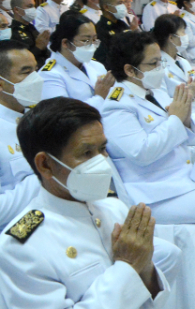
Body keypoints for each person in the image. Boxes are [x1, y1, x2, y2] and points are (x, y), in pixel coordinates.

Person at [0, 96, 184, 308]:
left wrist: (144, 268)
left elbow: (152, 296)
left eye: (102, 149)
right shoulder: (20, 248)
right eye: (86, 153)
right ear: (46, 165)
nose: (101, 162)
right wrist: (128, 266)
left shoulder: (112, 207)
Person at [101, 31, 195, 229]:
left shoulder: (153, 91)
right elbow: (142, 152)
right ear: (130, 70)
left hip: (181, 178)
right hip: (155, 194)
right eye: (153, 63)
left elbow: (180, 136)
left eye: (160, 61)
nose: (160, 68)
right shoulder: (117, 105)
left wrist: (185, 117)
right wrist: (176, 120)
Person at [0, 41, 43, 226]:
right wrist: (46, 175)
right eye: (26, 72)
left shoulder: (41, 118)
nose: (36, 79)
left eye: (36, 70)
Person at [39, 12, 112, 108]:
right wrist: (99, 98)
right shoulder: (50, 75)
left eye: (94, 40)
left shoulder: (97, 66)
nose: (92, 45)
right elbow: (61, 113)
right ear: (65, 43)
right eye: (85, 40)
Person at [9, 0, 51, 64]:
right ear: (17, 10)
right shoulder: (12, 32)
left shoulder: (31, 27)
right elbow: (21, 60)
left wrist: (44, 47)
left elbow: (45, 53)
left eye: (34, 6)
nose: (33, 9)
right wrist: (38, 47)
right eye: (29, 6)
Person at [94, 0, 132, 65]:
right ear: (106, 7)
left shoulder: (122, 24)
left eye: (123, 2)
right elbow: (103, 58)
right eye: (120, 3)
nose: (123, 6)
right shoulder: (100, 29)